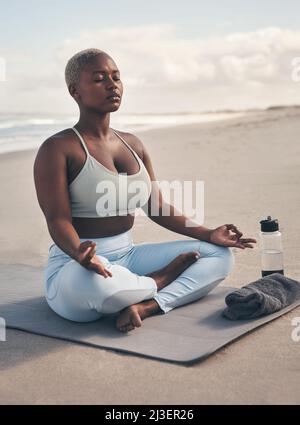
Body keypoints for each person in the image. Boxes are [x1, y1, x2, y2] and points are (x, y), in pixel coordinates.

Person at [33, 48, 256, 333]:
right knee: (99, 288)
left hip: (128, 256)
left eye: (116, 77)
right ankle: (159, 281)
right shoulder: (58, 148)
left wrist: (208, 233)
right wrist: (80, 254)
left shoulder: (133, 144)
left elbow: (157, 207)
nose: (112, 85)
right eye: (100, 78)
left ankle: (148, 305)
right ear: (75, 90)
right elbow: (57, 219)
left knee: (219, 256)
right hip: (75, 265)